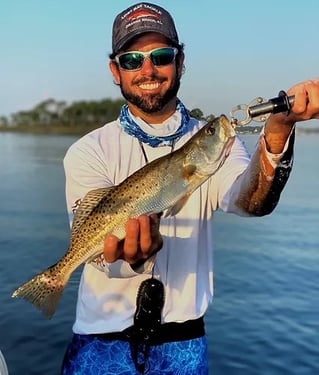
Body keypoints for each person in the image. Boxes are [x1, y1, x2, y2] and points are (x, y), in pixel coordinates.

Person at [61, 2, 319, 374]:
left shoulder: (213, 143)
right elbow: (98, 249)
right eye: (132, 60)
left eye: (161, 56)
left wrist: (278, 129)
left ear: (180, 62)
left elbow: (252, 202)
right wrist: (134, 256)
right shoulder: (88, 150)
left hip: (184, 346)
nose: (148, 69)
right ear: (115, 71)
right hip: (99, 345)